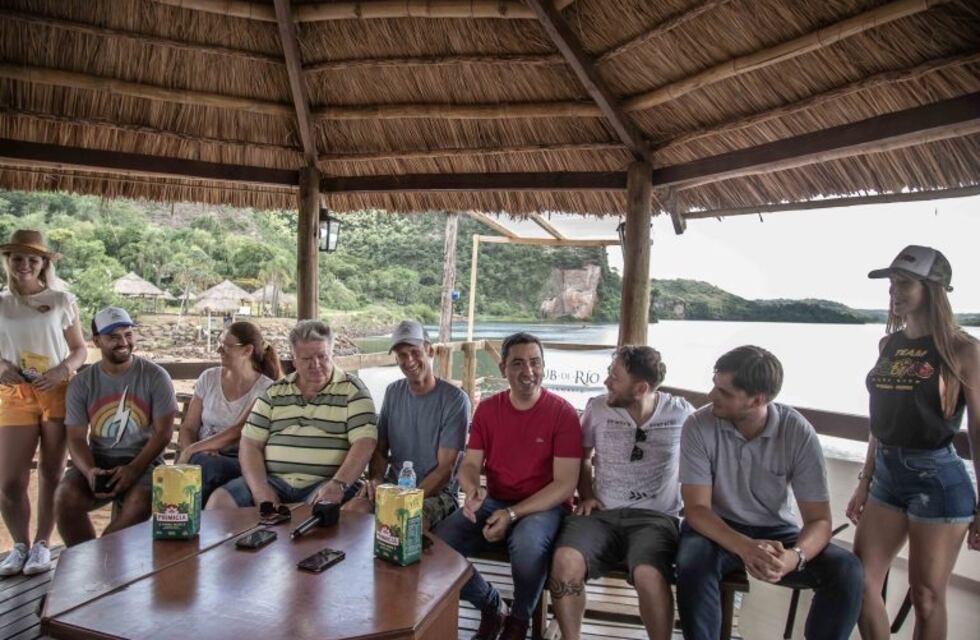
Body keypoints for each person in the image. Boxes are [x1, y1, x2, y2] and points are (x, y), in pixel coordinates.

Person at [676, 345, 863, 640]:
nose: (711, 396)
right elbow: (697, 509)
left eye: (724, 392)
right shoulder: (699, 425)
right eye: (714, 385)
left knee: (847, 570)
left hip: (777, 532)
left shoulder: (797, 432)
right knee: (691, 562)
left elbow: (819, 521)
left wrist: (794, 557)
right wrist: (745, 546)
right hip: (716, 528)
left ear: (757, 399)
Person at [847, 246, 979, 640]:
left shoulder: (963, 350)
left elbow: (978, 430)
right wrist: (866, 478)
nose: (894, 292)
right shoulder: (888, 346)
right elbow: (879, 419)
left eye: (904, 283)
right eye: (891, 284)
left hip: (937, 478)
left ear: (933, 289)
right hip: (887, 475)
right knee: (859, 582)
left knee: (926, 597)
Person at [432, 332, 582, 640]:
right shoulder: (488, 410)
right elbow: (470, 465)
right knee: (439, 544)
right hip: (495, 500)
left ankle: (518, 619)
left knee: (527, 547)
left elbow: (565, 484)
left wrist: (512, 515)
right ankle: (490, 604)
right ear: (503, 369)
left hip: (545, 507)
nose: (528, 372)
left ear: (543, 365)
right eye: (517, 363)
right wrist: (473, 491)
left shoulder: (562, 413)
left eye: (535, 362)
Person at [548, 346, 694, 640]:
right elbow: (583, 456)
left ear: (640, 389)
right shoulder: (598, 408)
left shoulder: (681, 414)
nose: (606, 382)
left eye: (614, 377)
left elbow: (706, 462)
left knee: (649, 574)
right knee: (565, 561)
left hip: (655, 518)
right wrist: (586, 494)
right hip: (600, 513)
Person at [206, 320, 376, 509]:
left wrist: (338, 484)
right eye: (306, 359)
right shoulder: (275, 392)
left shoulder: (353, 390)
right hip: (273, 481)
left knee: (335, 510)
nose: (316, 364)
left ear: (331, 354)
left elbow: (364, 443)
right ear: (294, 360)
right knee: (219, 502)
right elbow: (250, 444)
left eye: (322, 356)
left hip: (327, 483)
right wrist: (261, 490)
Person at [0, 230, 87, 576]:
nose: (24, 265)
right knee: (9, 481)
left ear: (43, 263)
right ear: (8, 261)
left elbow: (80, 349)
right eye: (17, 258)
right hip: (14, 394)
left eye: (32, 259)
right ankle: (18, 545)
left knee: (52, 472)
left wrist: (63, 368)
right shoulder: (1, 302)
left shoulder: (62, 300)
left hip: (57, 391)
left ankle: (40, 545)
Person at [54, 307, 177, 546]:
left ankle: (101, 561)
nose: (123, 342)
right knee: (64, 498)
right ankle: (85, 557)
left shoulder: (155, 376)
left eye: (128, 334)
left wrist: (133, 469)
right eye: (113, 337)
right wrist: (90, 470)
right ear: (97, 341)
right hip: (99, 460)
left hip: (145, 462)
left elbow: (163, 433)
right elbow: (76, 437)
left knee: (140, 501)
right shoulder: (82, 383)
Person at [356, 320, 469, 529]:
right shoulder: (393, 392)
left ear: (430, 350)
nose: (409, 360)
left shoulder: (455, 399)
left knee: (407, 522)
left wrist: (405, 500)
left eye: (415, 352)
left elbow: (446, 469)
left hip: (436, 494)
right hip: (393, 487)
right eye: (401, 355)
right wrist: (376, 481)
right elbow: (380, 449)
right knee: (352, 513)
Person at [177, 321, 281, 505]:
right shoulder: (208, 378)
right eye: (219, 343)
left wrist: (194, 450)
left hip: (238, 459)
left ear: (247, 351)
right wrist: (190, 452)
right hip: (201, 456)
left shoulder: (265, 389)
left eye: (226, 346)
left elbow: (237, 431)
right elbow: (189, 427)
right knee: (201, 466)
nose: (219, 350)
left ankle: (185, 520)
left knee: (206, 467)